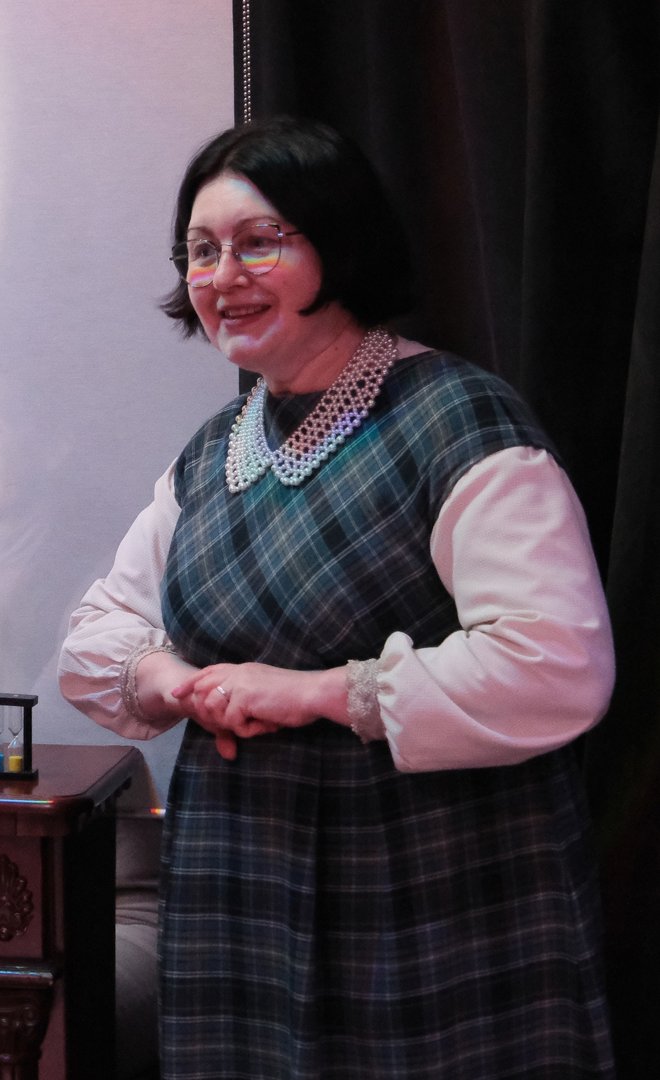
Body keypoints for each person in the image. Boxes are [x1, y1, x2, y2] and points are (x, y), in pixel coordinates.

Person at [59, 116, 616, 1078]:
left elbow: (554, 661)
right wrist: (171, 681)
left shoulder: (457, 417)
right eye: (201, 251)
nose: (222, 276)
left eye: (258, 242)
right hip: (244, 887)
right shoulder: (211, 452)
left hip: (432, 890)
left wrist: (317, 693)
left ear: (340, 243)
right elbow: (96, 635)